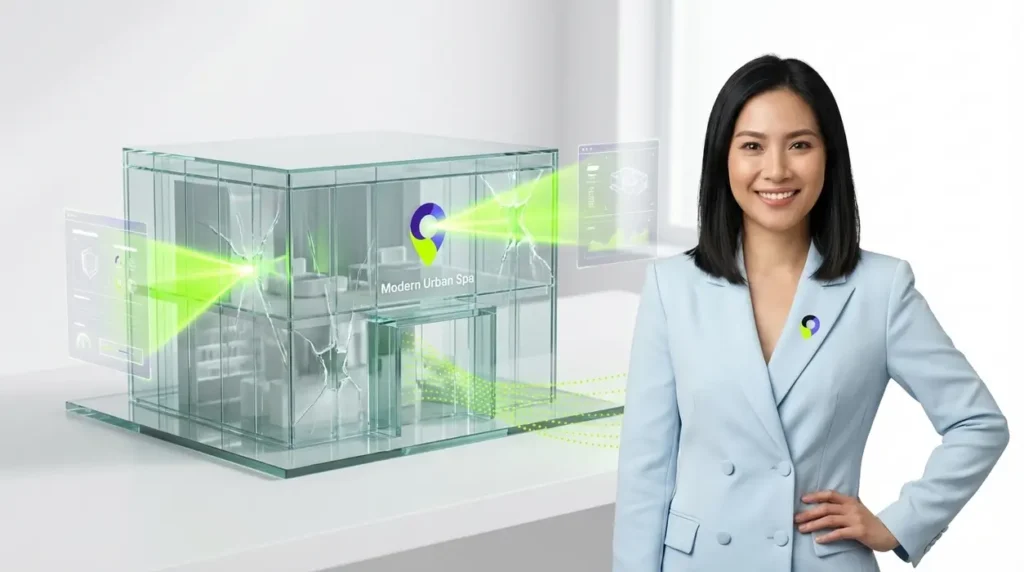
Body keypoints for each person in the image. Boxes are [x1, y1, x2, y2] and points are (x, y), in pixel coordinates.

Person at [611, 54, 1010, 572]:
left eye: (799, 144)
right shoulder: (672, 288)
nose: (776, 170)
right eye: (752, 146)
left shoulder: (879, 290)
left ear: (829, 157)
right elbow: (646, 471)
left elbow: (978, 423)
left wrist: (900, 521)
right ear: (722, 159)